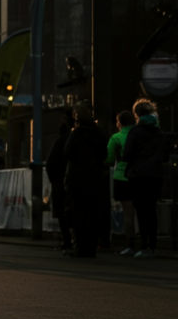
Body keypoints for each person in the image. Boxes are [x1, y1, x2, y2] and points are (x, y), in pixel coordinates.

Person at [123, 99, 169, 258]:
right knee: (151, 210)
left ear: (137, 114)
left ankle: (143, 245)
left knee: (140, 212)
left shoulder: (135, 131)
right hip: (155, 176)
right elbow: (165, 155)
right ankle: (153, 246)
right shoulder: (159, 133)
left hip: (137, 175)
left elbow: (127, 154)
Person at [63, 102, 108, 258]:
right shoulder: (99, 133)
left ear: (77, 118)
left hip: (77, 179)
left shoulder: (77, 133)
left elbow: (66, 152)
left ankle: (80, 248)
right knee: (94, 214)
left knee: (79, 215)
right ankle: (92, 248)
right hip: (95, 179)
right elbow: (104, 154)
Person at [107, 111, 138, 255]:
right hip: (139, 176)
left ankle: (131, 244)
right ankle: (147, 243)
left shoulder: (116, 138)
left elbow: (109, 159)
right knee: (144, 211)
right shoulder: (138, 136)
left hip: (121, 177)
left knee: (128, 213)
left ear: (119, 122)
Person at [46, 114, 76, 250]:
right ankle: (79, 241)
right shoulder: (80, 139)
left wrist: (55, 180)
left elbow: (50, 163)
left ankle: (67, 240)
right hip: (77, 181)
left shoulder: (59, 142)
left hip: (61, 182)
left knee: (63, 214)